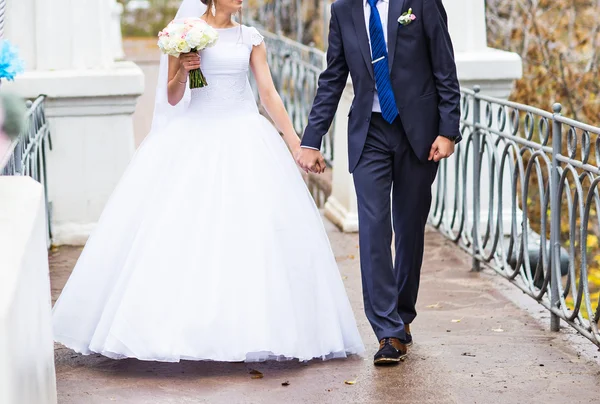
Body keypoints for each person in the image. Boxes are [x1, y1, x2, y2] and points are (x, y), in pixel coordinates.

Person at [52, 0, 364, 363]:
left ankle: (251, 328)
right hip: (193, 134)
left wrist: (297, 143)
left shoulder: (251, 37)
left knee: (252, 234)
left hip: (245, 135)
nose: (242, 0)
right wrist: (184, 70)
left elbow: (269, 94)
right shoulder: (182, 34)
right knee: (183, 232)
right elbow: (171, 97)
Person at [296, 0, 461, 365]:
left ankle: (402, 315)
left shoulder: (421, 3)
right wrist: (311, 139)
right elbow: (333, 75)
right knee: (372, 227)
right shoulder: (343, 10)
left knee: (409, 228)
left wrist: (448, 131)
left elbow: (444, 67)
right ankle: (387, 331)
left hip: (417, 132)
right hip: (369, 133)